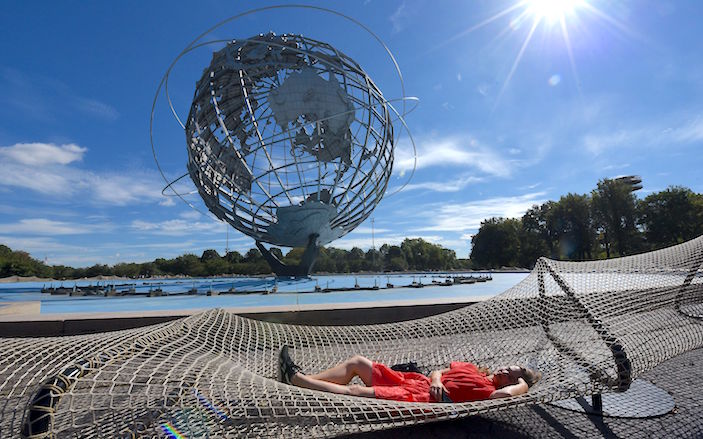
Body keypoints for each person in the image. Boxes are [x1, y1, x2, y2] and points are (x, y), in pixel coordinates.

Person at [278, 346, 541, 403]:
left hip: (420, 399)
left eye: (510, 374)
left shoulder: (490, 392)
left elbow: (503, 394)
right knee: (358, 362)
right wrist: (437, 379)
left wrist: (522, 383)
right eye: (508, 367)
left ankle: (297, 380)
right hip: (419, 382)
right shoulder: (473, 370)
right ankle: (306, 379)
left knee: (357, 392)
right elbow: (440, 370)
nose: (504, 371)